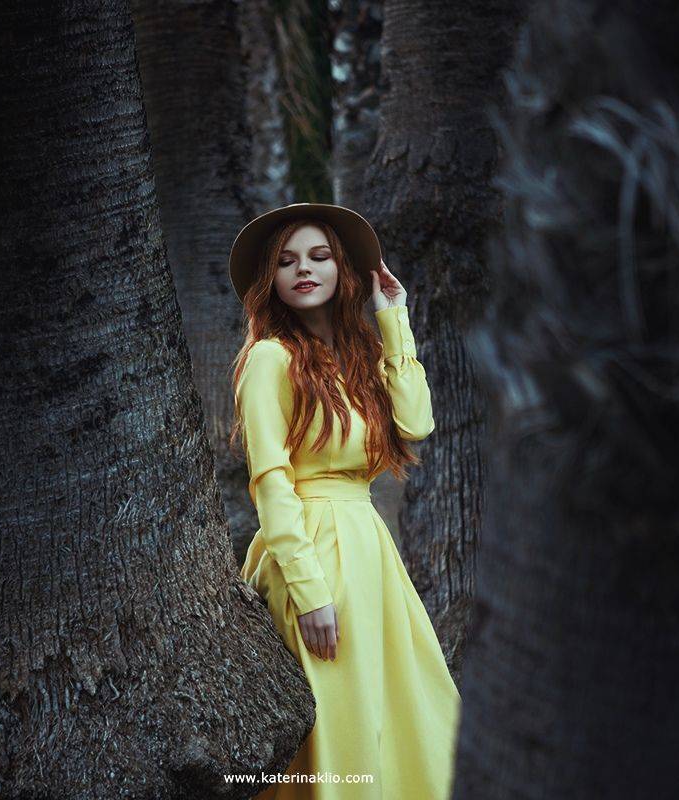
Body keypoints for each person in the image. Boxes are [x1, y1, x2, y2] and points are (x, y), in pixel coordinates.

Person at [228, 203, 460, 799]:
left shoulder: (358, 364)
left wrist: (394, 318)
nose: (303, 269)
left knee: (409, 711)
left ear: (343, 270)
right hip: (311, 552)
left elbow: (417, 423)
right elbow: (270, 481)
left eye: (319, 256)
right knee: (339, 724)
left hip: (369, 552)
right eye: (286, 262)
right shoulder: (270, 359)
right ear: (270, 281)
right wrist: (309, 592)